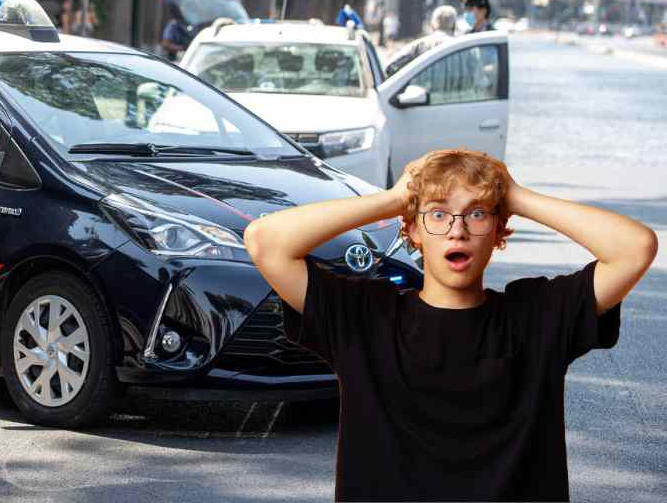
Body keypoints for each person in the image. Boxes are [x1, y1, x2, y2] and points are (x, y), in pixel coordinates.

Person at [244, 149, 656, 501]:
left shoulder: (538, 314)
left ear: (498, 231)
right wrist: (397, 196)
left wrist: (514, 194)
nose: (457, 230)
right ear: (412, 231)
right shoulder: (362, 315)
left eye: (476, 214)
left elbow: (634, 248)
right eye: (438, 214)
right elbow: (265, 240)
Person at [384, 4, 458, 76]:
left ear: (432, 25)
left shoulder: (419, 45)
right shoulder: (461, 46)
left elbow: (390, 67)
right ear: (454, 25)